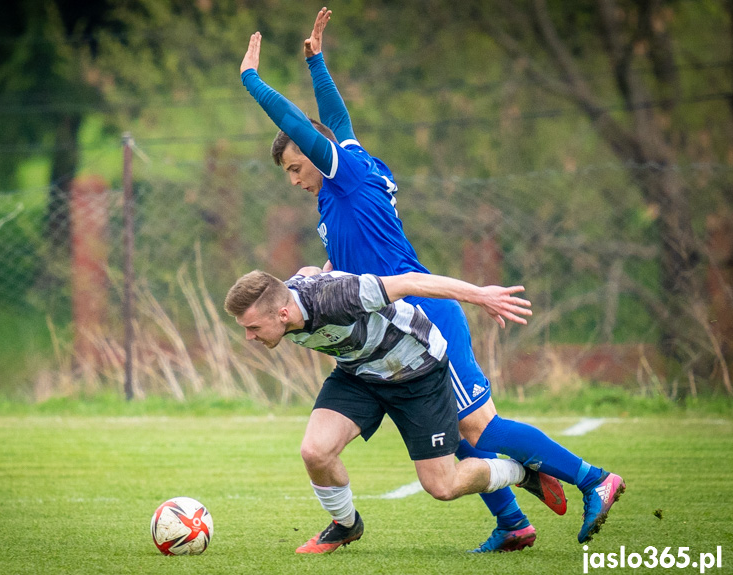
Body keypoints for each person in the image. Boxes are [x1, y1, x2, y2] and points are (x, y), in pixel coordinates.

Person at [240, 11, 624, 551]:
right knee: (462, 432)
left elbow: (303, 121)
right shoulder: (352, 159)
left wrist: (251, 80)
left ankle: (594, 479)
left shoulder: (339, 176)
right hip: (396, 315)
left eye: (293, 170)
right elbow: (334, 118)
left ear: (309, 157)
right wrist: (316, 61)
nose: (295, 182)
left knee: (482, 431)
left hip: (424, 311)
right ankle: (513, 524)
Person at [224, 266, 566, 554]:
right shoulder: (287, 301)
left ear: (283, 313)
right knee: (315, 452)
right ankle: (346, 526)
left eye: (253, 328)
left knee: (442, 487)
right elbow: (309, 273)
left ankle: (521, 473)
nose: (249, 338)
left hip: (417, 371)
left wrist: (480, 295)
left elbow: (412, 281)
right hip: (360, 374)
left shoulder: (339, 297)